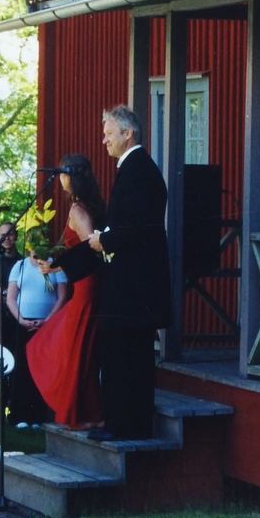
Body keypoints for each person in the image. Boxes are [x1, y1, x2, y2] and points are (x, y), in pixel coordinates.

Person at [87, 105, 171, 441]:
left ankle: (125, 427)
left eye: (109, 133)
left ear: (128, 134)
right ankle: (125, 424)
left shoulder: (138, 170)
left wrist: (103, 240)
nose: (104, 140)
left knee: (125, 355)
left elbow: (137, 226)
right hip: (133, 284)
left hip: (134, 287)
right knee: (126, 354)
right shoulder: (136, 168)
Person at [29, 155, 105, 428]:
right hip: (84, 283)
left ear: (70, 177)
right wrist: (55, 262)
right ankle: (88, 413)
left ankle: (83, 414)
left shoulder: (79, 211)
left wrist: (58, 266)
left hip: (87, 286)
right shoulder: (85, 206)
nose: (60, 179)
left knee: (76, 346)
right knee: (74, 344)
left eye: (62, 173)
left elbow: (92, 249)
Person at [7, 248, 69, 427]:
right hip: (23, 324)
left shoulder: (55, 266)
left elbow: (62, 296)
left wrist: (48, 320)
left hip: (47, 325)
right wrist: (20, 319)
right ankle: (19, 416)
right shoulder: (19, 266)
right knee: (22, 368)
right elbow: (11, 298)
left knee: (42, 369)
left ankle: (38, 416)